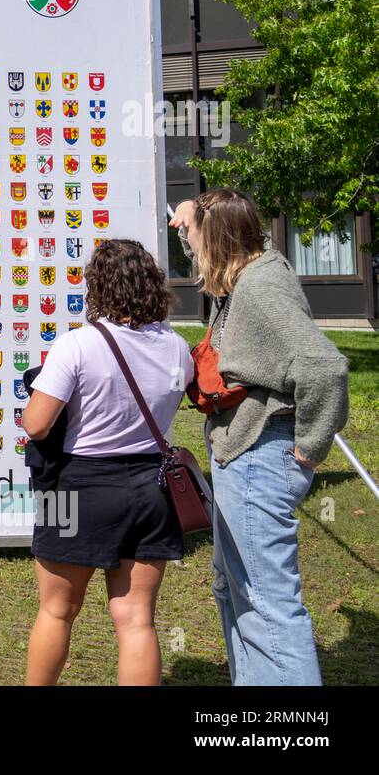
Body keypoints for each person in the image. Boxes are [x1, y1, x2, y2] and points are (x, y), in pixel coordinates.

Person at [170, 189, 349, 685]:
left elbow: (325, 369)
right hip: (246, 452)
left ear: (220, 239)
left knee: (267, 602)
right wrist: (189, 219)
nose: (194, 249)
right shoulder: (249, 270)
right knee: (235, 589)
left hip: (260, 455)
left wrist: (309, 452)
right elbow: (215, 270)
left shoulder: (260, 288)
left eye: (198, 238)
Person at [21, 239, 194, 685]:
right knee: (137, 620)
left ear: (97, 287)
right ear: (153, 283)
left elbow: (37, 425)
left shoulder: (77, 344)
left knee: (57, 611)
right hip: (152, 488)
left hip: (78, 487)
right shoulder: (177, 347)